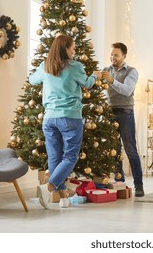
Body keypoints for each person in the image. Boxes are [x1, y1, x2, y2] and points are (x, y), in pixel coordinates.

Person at [29, 35, 102, 209]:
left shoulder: (45, 66)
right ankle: (49, 187)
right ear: (65, 49)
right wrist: (95, 75)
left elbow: (32, 80)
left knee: (54, 158)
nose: (74, 51)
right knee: (70, 157)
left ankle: (63, 198)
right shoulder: (75, 66)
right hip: (70, 117)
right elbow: (87, 84)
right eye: (72, 48)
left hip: (49, 119)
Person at [101, 42, 144, 197]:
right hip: (108, 113)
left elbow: (127, 91)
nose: (113, 57)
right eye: (112, 54)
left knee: (130, 150)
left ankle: (139, 185)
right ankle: (120, 183)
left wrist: (112, 81)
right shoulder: (105, 70)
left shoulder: (131, 71)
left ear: (124, 56)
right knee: (114, 151)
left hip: (125, 113)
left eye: (116, 55)